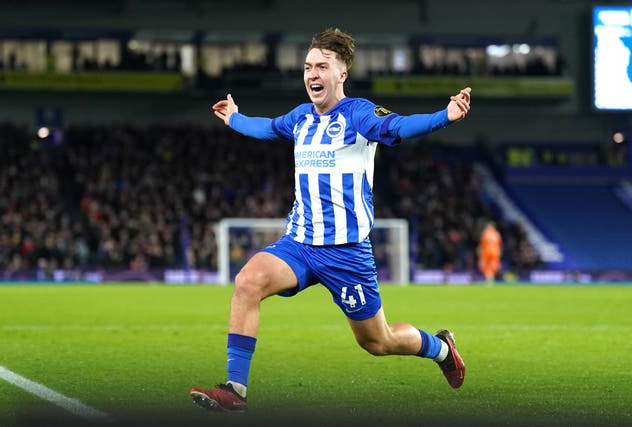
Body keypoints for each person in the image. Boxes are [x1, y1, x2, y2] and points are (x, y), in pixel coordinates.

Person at [190, 27, 471, 412]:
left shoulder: (359, 115)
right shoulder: (300, 118)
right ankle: (235, 390)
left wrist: (446, 116)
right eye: (308, 67)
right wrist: (235, 118)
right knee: (247, 281)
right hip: (300, 244)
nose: (312, 74)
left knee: (378, 342)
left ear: (342, 74)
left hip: (346, 253)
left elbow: (400, 125)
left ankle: (441, 349)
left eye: (322, 66)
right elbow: (267, 128)